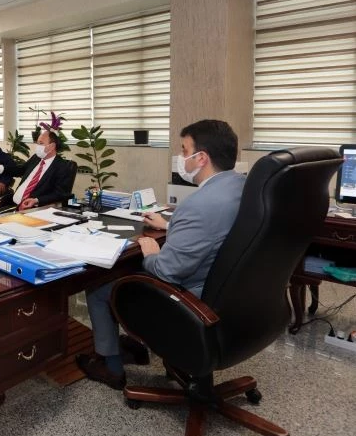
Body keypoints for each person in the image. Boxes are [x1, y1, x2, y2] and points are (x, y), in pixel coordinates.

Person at [76, 119, 246, 390]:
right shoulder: (240, 187)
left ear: (201, 158)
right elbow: (216, 228)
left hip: (191, 299)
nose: (180, 156)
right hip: (229, 293)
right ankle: (133, 346)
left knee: (98, 287)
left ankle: (111, 367)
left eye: (184, 149)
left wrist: (152, 253)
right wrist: (171, 225)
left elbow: (167, 271)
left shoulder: (200, 204)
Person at [0, 130, 71, 211]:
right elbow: (20, 170)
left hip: (32, 209)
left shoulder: (62, 167)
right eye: (37, 143)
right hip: (12, 204)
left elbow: (60, 194)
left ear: (52, 146)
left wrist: (36, 200)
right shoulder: (36, 158)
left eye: (41, 143)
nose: (37, 146)